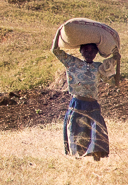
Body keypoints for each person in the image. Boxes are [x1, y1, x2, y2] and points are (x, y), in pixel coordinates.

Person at [51, 30, 119, 160]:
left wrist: (116, 59)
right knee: (76, 133)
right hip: (77, 103)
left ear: (96, 53)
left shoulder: (99, 67)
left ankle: (96, 160)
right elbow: (55, 50)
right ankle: (77, 159)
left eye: (92, 51)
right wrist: (59, 33)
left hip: (92, 104)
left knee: (96, 133)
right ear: (81, 51)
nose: (89, 54)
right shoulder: (72, 63)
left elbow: (114, 82)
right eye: (86, 51)